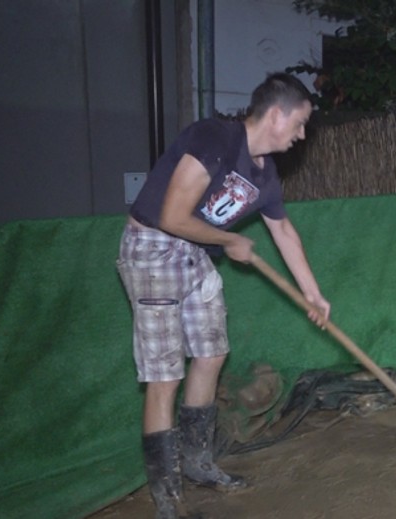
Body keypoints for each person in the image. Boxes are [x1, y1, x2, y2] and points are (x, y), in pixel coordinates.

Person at [116, 72, 331, 518]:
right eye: (300, 123)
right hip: (153, 248)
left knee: (212, 355)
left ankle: (197, 462)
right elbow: (172, 215)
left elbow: (283, 230)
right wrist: (231, 241)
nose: (302, 135)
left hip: (197, 254)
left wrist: (314, 295)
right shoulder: (213, 137)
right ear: (277, 114)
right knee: (164, 378)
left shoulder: (265, 174)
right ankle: (168, 499)